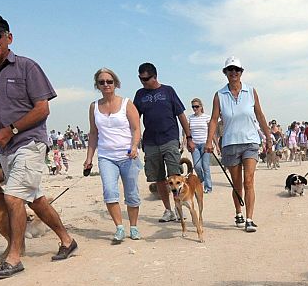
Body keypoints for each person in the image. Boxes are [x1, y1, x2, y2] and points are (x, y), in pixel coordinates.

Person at [0, 13, 77, 279]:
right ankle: (67, 241)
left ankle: (14, 257)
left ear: (9, 38)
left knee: (12, 197)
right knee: (35, 199)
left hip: (29, 142)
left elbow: (42, 108)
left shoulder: (27, 67)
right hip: (4, 150)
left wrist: (10, 129)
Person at [205, 57, 273, 232]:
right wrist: (209, 142)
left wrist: (268, 136)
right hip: (230, 143)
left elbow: (260, 115)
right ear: (225, 73)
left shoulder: (251, 91)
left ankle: (250, 219)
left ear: (241, 72)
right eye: (230, 70)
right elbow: (214, 120)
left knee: (249, 181)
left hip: (250, 141)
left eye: (237, 70)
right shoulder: (219, 95)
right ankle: (238, 212)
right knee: (237, 184)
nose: (233, 73)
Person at [83, 69, 142, 242]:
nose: (106, 85)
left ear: (115, 83)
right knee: (110, 191)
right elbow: (93, 133)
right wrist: (89, 158)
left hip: (127, 155)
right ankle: (119, 227)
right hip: (106, 156)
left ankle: (134, 227)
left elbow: (136, 128)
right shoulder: (94, 106)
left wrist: (134, 146)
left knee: (131, 193)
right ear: (97, 85)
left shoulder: (126, 103)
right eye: (102, 82)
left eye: (109, 81)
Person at [133, 62, 194, 223]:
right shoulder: (140, 95)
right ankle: (168, 211)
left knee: (174, 175)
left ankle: (178, 207)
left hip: (170, 139)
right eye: (141, 79)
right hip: (151, 142)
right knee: (159, 178)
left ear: (155, 76)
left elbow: (181, 115)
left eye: (146, 79)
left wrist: (189, 137)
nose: (143, 82)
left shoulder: (168, 91)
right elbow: (134, 119)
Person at [188, 97, 213, 193]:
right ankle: (201, 179)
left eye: (196, 106)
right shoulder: (190, 118)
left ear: (201, 106)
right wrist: (185, 142)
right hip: (194, 144)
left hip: (205, 144)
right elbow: (187, 131)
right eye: (193, 107)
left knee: (205, 166)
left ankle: (208, 187)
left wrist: (212, 143)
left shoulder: (206, 117)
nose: (195, 108)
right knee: (197, 166)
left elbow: (212, 131)